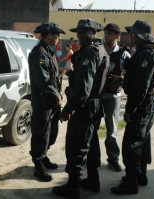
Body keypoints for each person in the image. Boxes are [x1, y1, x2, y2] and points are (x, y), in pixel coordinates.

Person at [52, 18, 107, 199]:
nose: (80, 35)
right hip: (94, 106)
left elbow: (84, 87)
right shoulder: (100, 50)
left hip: (85, 107)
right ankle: (93, 180)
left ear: (94, 33)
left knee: (77, 146)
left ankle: (73, 187)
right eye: (79, 32)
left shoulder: (90, 52)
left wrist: (69, 107)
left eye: (84, 32)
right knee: (90, 145)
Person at [111, 20, 154, 195]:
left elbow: (141, 85)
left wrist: (130, 109)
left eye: (133, 34)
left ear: (141, 36)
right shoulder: (146, 51)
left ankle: (131, 182)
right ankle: (141, 175)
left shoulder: (147, 54)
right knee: (142, 140)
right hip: (146, 103)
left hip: (142, 105)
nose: (130, 36)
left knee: (132, 143)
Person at [28, 22, 65, 182]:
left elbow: (54, 77)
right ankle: (38, 164)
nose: (59, 38)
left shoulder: (49, 52)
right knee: (40, 133)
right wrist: (55, 94)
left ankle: (44, 157)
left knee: (51, 132)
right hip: (43, 101)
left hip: (52, 101)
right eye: (58, 34)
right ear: (50, 35)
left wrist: (58, 95)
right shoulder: (40, 53)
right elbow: (42, 79)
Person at [102, 23, 131, 172]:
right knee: (91, 129)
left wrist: (122, 77)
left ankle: (113, 159)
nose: (105, 35)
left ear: (116, 36)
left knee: (112, 130)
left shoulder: (123, 54)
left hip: (113, 97)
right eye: (105, 33)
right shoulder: (98, 51)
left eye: (109, 33)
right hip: (97, 96)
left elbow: (133, 74)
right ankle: (89, 159)